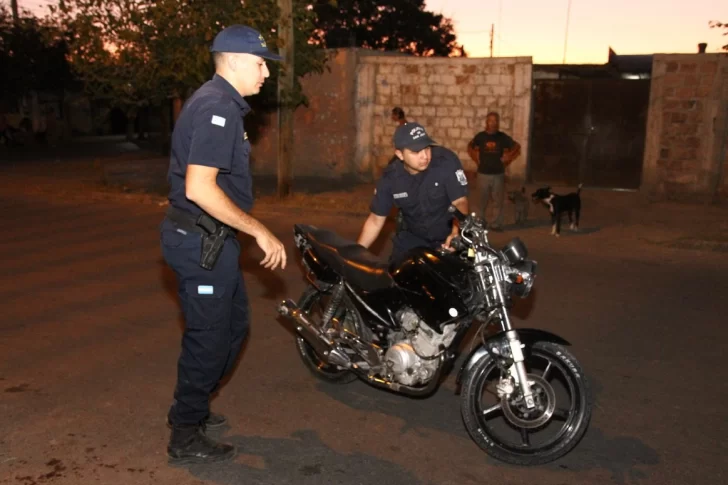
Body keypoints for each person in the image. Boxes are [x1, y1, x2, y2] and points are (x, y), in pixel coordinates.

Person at [159, 24, 287, 464]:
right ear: (232, 60)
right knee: (209, 339)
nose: (265, 74)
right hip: (199, 242)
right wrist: (259, 230)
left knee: (234, 329)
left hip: (212, 240)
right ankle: (185, 432)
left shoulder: (220, 104)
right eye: (260, 64)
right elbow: (199, 187)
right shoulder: (217, 108)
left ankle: (192, 407)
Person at [357, 122, 469, 264]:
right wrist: (355, 254)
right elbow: (375, 221)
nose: (425, 156)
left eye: (427, 148)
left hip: (448, 236)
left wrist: (456, 232)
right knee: (397, 279)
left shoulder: (446, 162)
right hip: (413, 238)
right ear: (400, 154)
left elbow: (460, 201)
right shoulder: (391, 178)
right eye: (416, 152)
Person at [467, 112, 521, 231]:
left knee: (497, 200)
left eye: (495, 121)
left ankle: (496, 224)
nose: (493, 123)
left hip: (498, 174)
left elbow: (517, 146)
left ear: (498, 122)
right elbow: (470, 146)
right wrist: (476, 158)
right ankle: (480, 223)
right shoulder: (480, 136)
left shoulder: (502, 137)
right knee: (481, 200)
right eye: (490, 120)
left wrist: (509, 156)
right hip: (483, 173)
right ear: (487, 122)